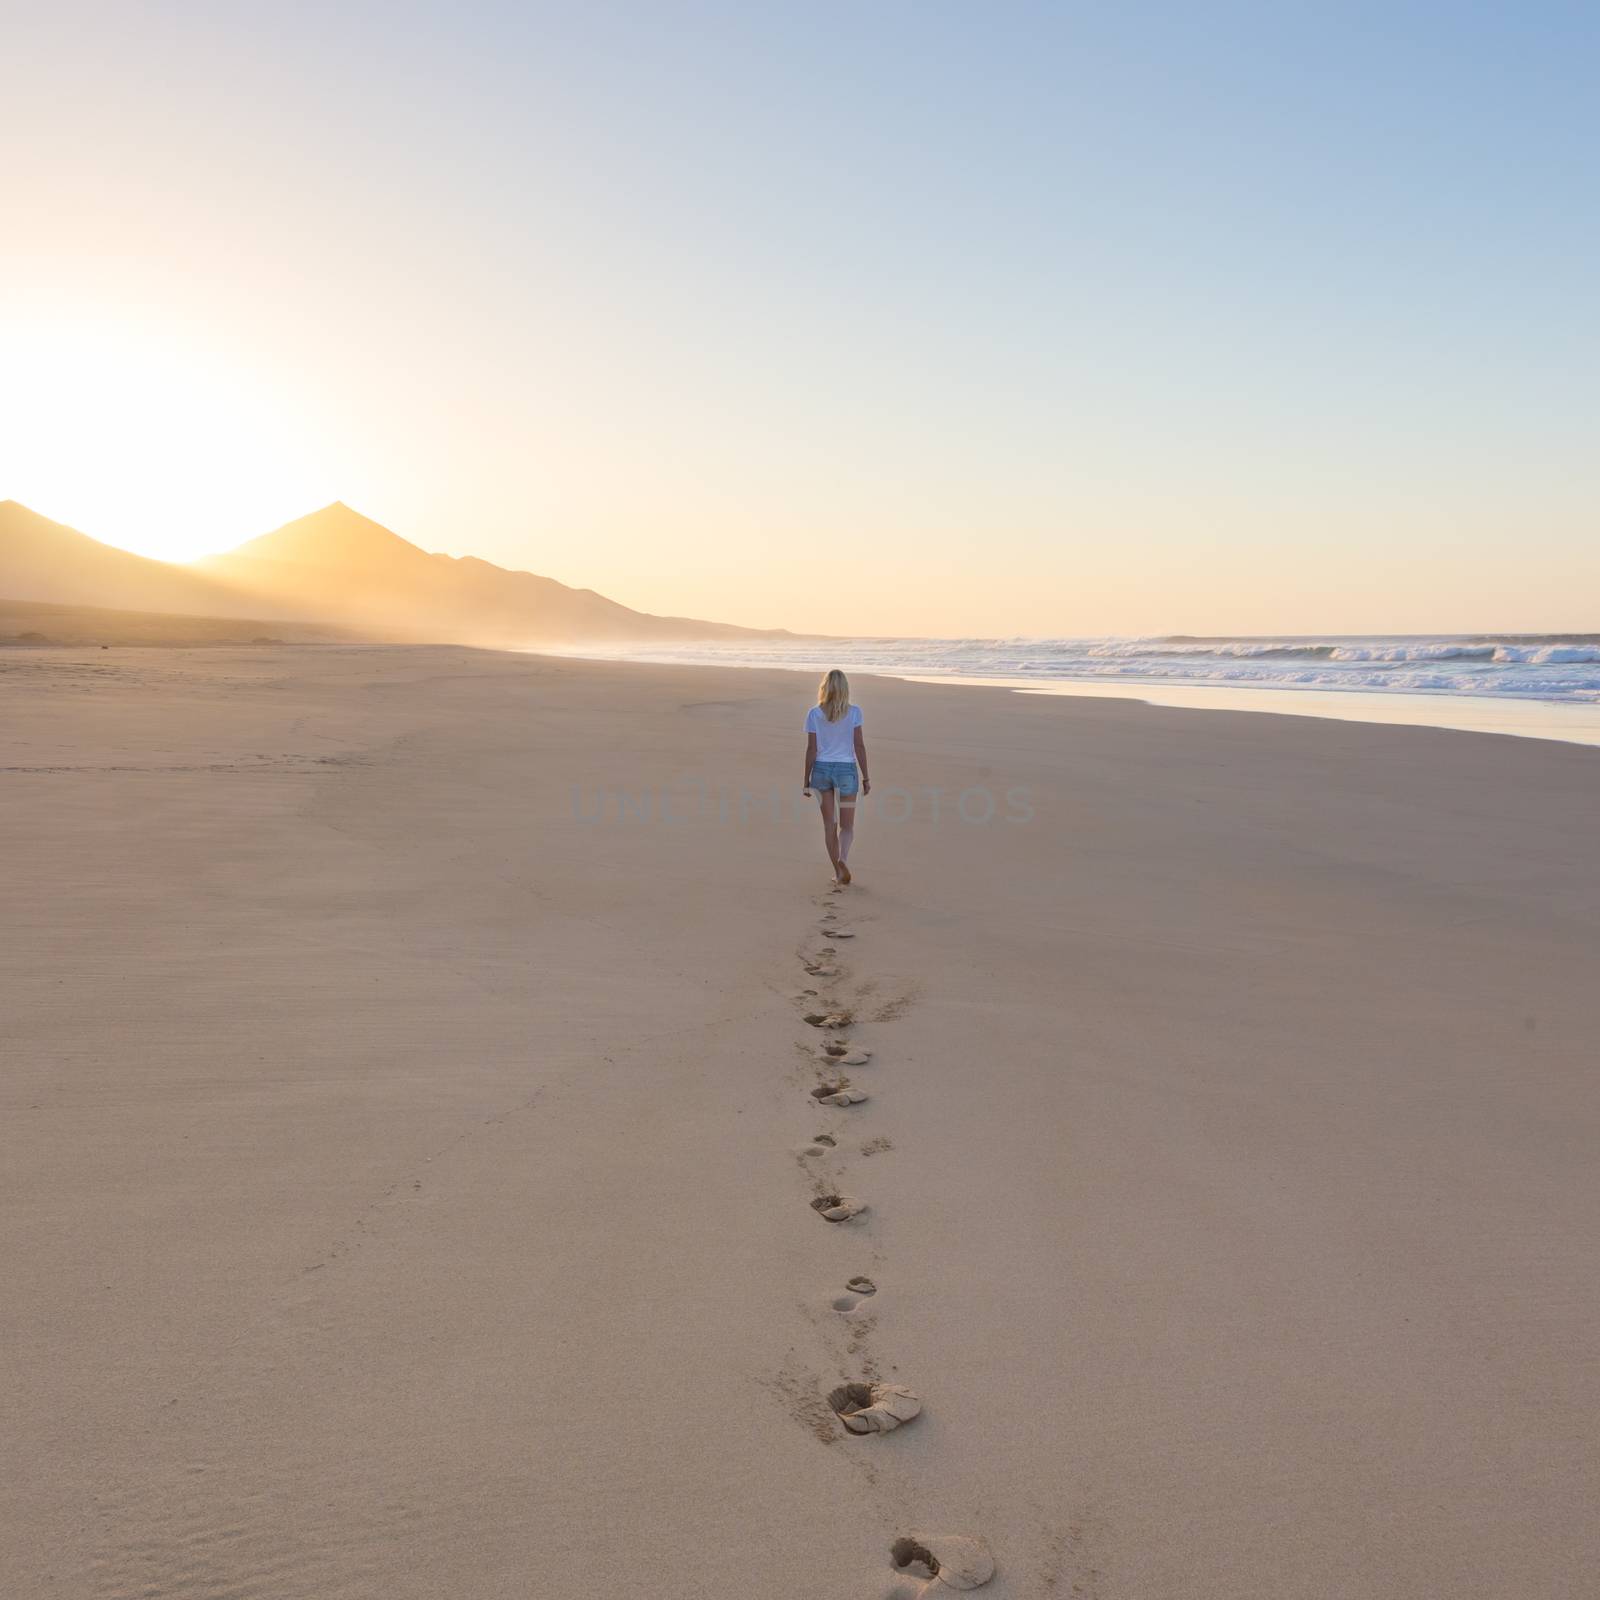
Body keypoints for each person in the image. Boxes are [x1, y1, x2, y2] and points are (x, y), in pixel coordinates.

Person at [801, 668, 870, 884]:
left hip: (821, 772)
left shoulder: (814, 713)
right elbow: (858, 745)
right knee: (847, 826)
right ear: (845, 689)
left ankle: (838, 871)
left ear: (825, 687)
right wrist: (866, 776)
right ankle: (843, 859)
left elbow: (811, 749)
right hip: (846, 771)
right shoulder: (855, 712)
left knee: (829, 824)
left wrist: (806, 780)